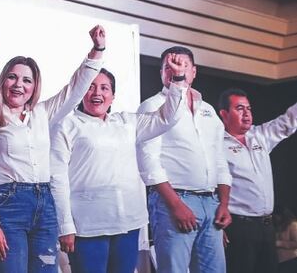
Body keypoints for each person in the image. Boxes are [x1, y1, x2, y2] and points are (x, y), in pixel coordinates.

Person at [0, 26, 106, 273]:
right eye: (12, 77)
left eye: (26, 80)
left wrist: (97, 50)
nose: (18, 84)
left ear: (34, 86)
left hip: (45, 206)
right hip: (7, 207)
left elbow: (76, 88)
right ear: (3, 81)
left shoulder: (43, 113)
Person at [51, 64, 188, 273]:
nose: (97, 92)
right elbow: (57, 178)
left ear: (113, 96)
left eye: (104, 88)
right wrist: (65, 226)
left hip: (128, 224)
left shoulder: (127, 122)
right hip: (87, 227)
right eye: (90, 86)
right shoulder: (67, 126)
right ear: (81, 92)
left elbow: (166, 118)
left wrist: (177, 80)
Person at [137, 46, 231, 273]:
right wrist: (176, 205)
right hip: (174, 201)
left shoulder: (208, 111)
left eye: (183, 65)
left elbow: (220, 160)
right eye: (168, 67)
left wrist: (224, 204)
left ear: (194, 71)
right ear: (161, 73)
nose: (175, 71)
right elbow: (148, 163)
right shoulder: (151, 106)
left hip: (211, 203)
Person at [217, 89, 297, 273]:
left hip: (267, 227)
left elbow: (289, 120)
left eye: (248, 108)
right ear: (224, 114)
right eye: (239, 109)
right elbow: (212, 187)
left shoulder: (260, 135)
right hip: (238, 228)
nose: (246, 113)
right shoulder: (216, 144)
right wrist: (217, 228)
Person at [277, 208, 297, 273]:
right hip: (279, 260)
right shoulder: (278, 225)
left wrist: (279, 243)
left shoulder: (293, 225)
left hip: (290, 260)